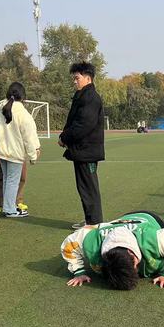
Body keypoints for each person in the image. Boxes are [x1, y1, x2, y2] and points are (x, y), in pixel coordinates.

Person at [61, 211, 164, 290]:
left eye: (134, 266)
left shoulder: (152, 238)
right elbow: (68, 246)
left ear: (132, 253)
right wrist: (78, 271)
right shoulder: (90, 241)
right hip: (122, 220)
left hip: (147, 219)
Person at [59, 62, 105, 229]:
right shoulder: (83, 95)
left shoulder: (90, 97)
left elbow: (83, 125)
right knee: (85, 187)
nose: (74, 81)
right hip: (82, 151)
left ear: (88, 78)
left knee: (89, 187)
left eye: (77, 78)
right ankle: (91, 220)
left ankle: (94, 222)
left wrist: (64, 138)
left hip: (87, 151)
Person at [0, 82, 40, 218]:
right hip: (15, 153)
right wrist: (33, 156)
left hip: (1, 152)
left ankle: (7, 206)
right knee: (12, 181)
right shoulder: (23, 114)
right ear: (23, 96)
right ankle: (10, 209)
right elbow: (29, 137)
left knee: (6, 180)